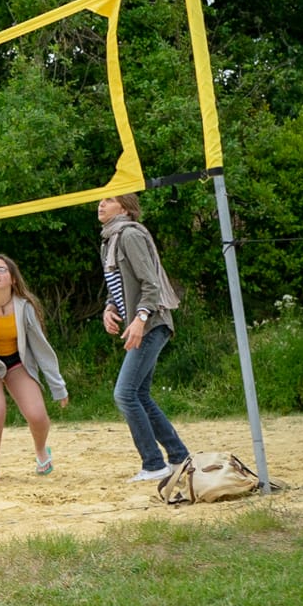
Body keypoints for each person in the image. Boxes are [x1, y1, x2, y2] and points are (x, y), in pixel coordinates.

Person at [99, 193, 190, 482]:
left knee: (124, 394)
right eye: (100, 200)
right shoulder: (110, 239)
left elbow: (149, 282)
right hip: (144, 322)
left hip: (152, 322)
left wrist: (139, 319)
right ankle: (178, 457)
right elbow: (120, 286)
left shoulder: (129, 235)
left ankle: (153, 464)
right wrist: (109, 309)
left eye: (108, 199)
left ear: (124, 208)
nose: (100, 204)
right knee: (139, 394)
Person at [0, 254, 68, 482]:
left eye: (1, 270)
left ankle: (40, 451)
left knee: (38, 416)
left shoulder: (24, 307)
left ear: (13, 279)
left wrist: (58, 386)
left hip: (16, 362)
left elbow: (41, 349)